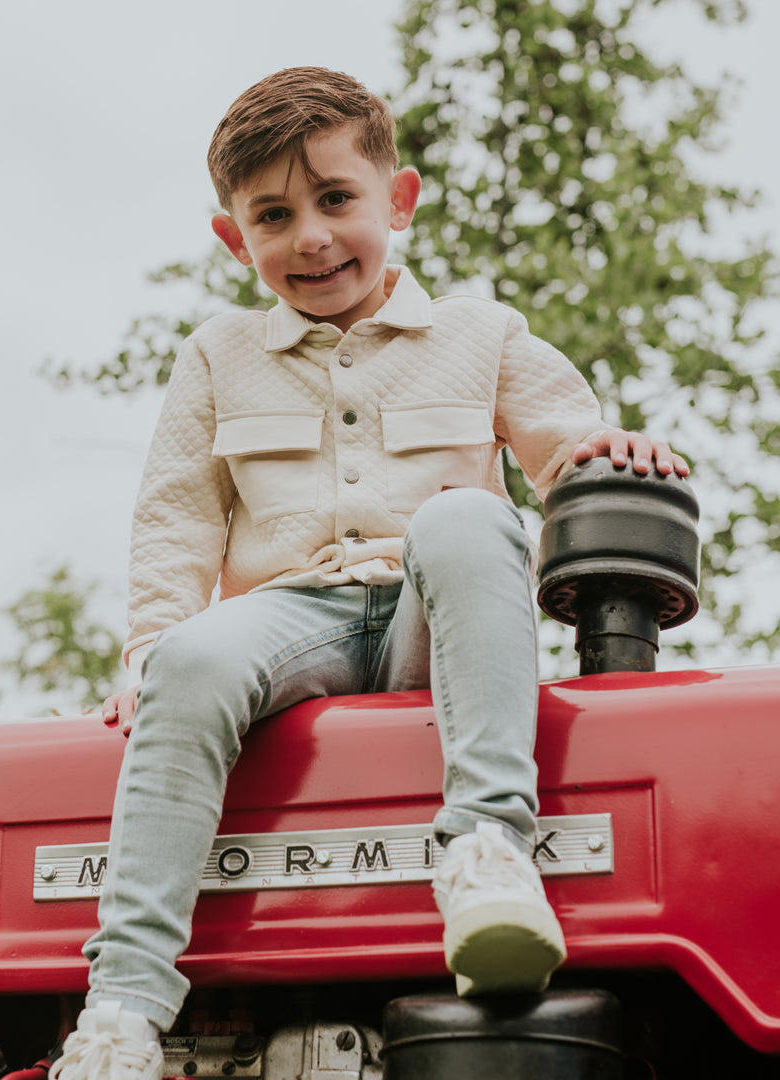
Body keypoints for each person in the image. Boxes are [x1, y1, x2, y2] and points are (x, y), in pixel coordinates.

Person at [49, 67, 688, 1080]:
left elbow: (569, 446)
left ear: (399, 201)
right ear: (233, 237)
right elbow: (176, 516)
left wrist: (616, 451)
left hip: (434, 614)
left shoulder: (483, 333)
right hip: (292, 620)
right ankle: (125, 1002)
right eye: (273, 215)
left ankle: (487, 854)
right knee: (186, 664)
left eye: (336, 201)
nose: (309, 237)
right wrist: (145, 649)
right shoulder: (218, 357)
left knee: (474, 516)